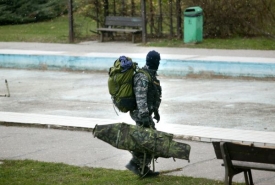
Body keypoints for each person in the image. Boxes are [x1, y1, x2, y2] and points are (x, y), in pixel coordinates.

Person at [125, 50, 162, 177]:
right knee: (150, 139)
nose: (158, 63)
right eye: (157, 61)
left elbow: (154, 94)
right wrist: (145, 115)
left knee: (147, 139)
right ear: (152, 61)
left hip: (145, 112)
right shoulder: (142, 76)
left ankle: (139, 166)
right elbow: (140, 97)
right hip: (140, 113)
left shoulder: (151, 75)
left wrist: (156, 111)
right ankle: (138, 165)